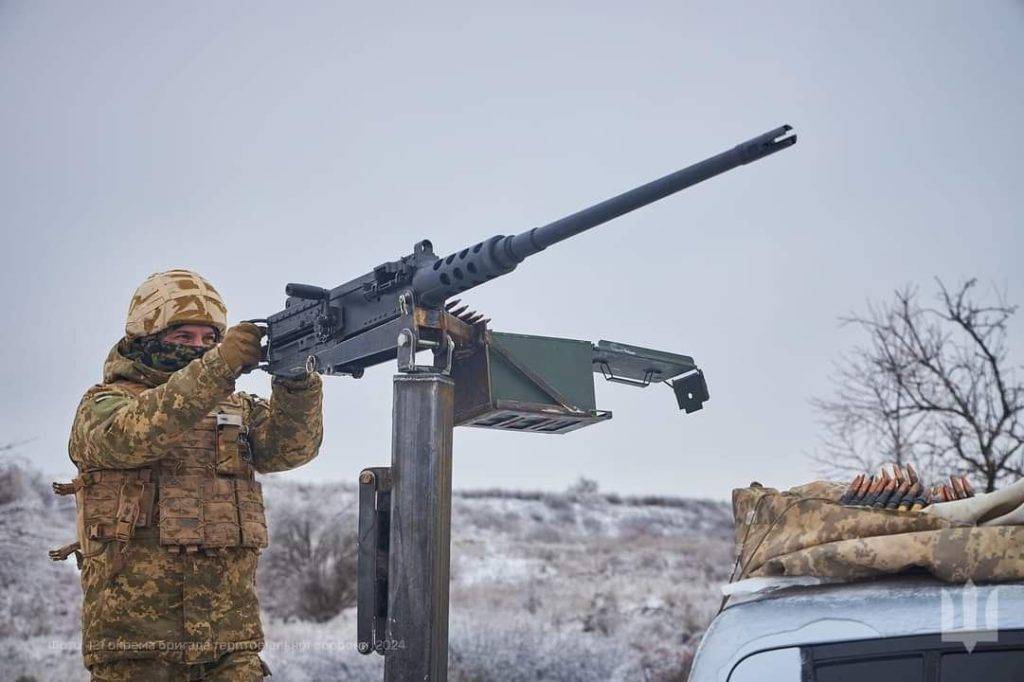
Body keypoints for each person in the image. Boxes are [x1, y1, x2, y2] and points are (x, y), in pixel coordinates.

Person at [53, 269, 324, 680]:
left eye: (209, 339)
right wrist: (219, 366)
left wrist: (297, 380)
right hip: (136, 650)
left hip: (230, 647)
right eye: (183, 337)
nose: (199, 349)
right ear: (146, 338)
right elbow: (136, 436)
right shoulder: (102, 406)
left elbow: (292, 448)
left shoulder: (236, 410)